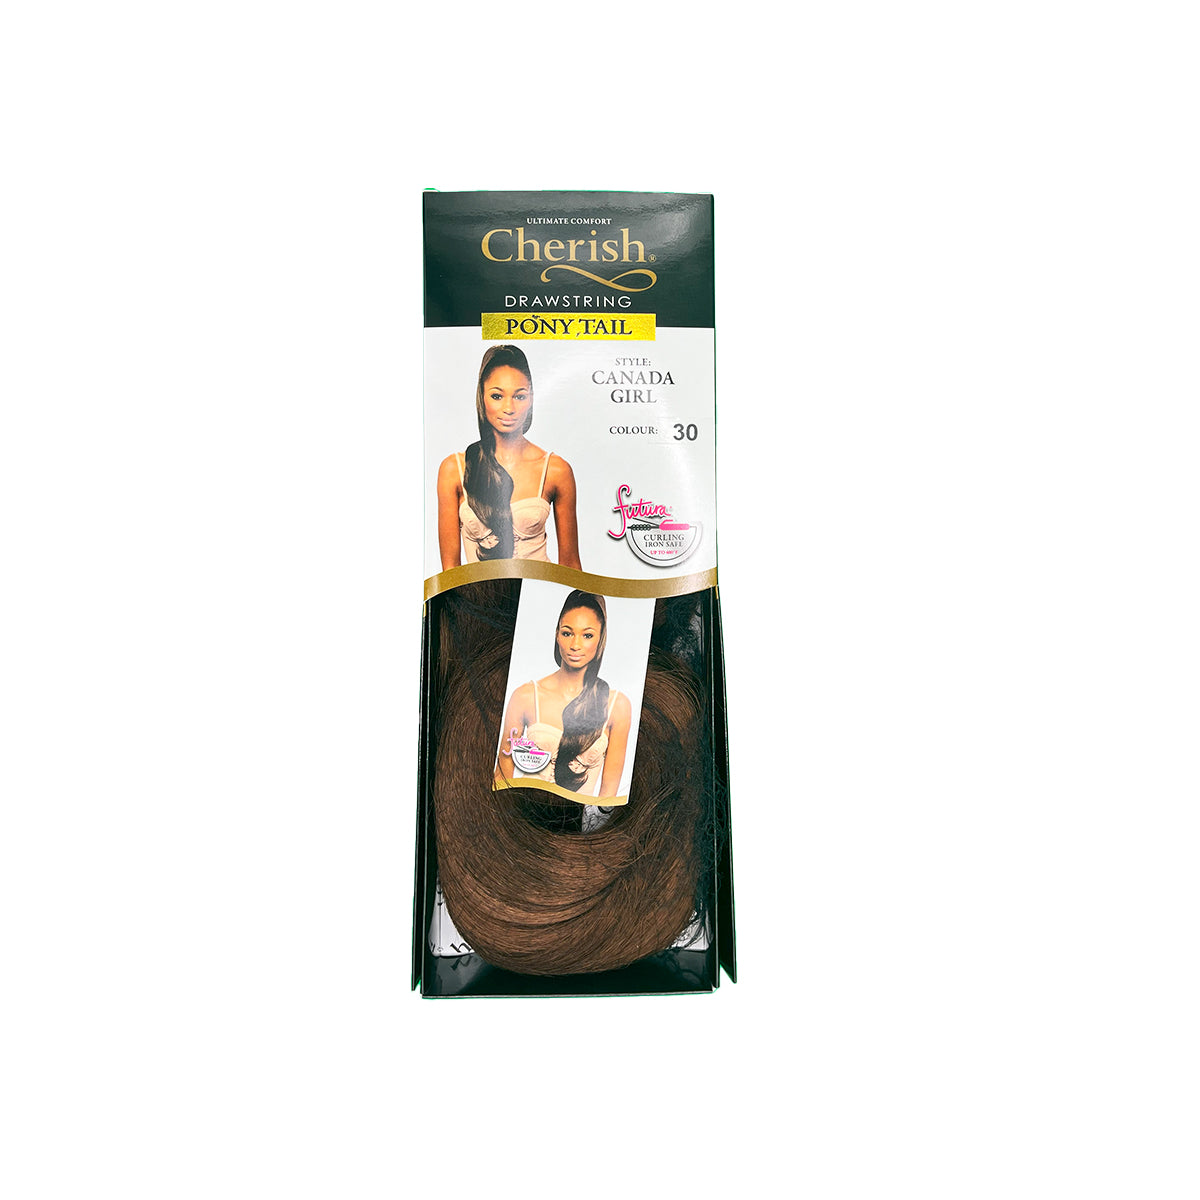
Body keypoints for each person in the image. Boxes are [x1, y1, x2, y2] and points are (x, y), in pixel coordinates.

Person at [437, 345, 581, 570]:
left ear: (531, 399)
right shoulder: (454, 469)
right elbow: (450, 572)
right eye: (497, 396)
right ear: (482, 397)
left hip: (540, 591)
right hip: (480, 593)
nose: (509, 408)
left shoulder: (556, 470)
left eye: (519, 396)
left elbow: (571, 566)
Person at [496, 591, 631, 801]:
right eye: (567, 633)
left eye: (587, 635)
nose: (575, 645)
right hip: (525, 813)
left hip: (578, 820)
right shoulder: (525, 697)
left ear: (601, 639)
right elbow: (501, 778)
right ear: (557, 635)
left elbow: (608, 798)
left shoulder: (616, 706)